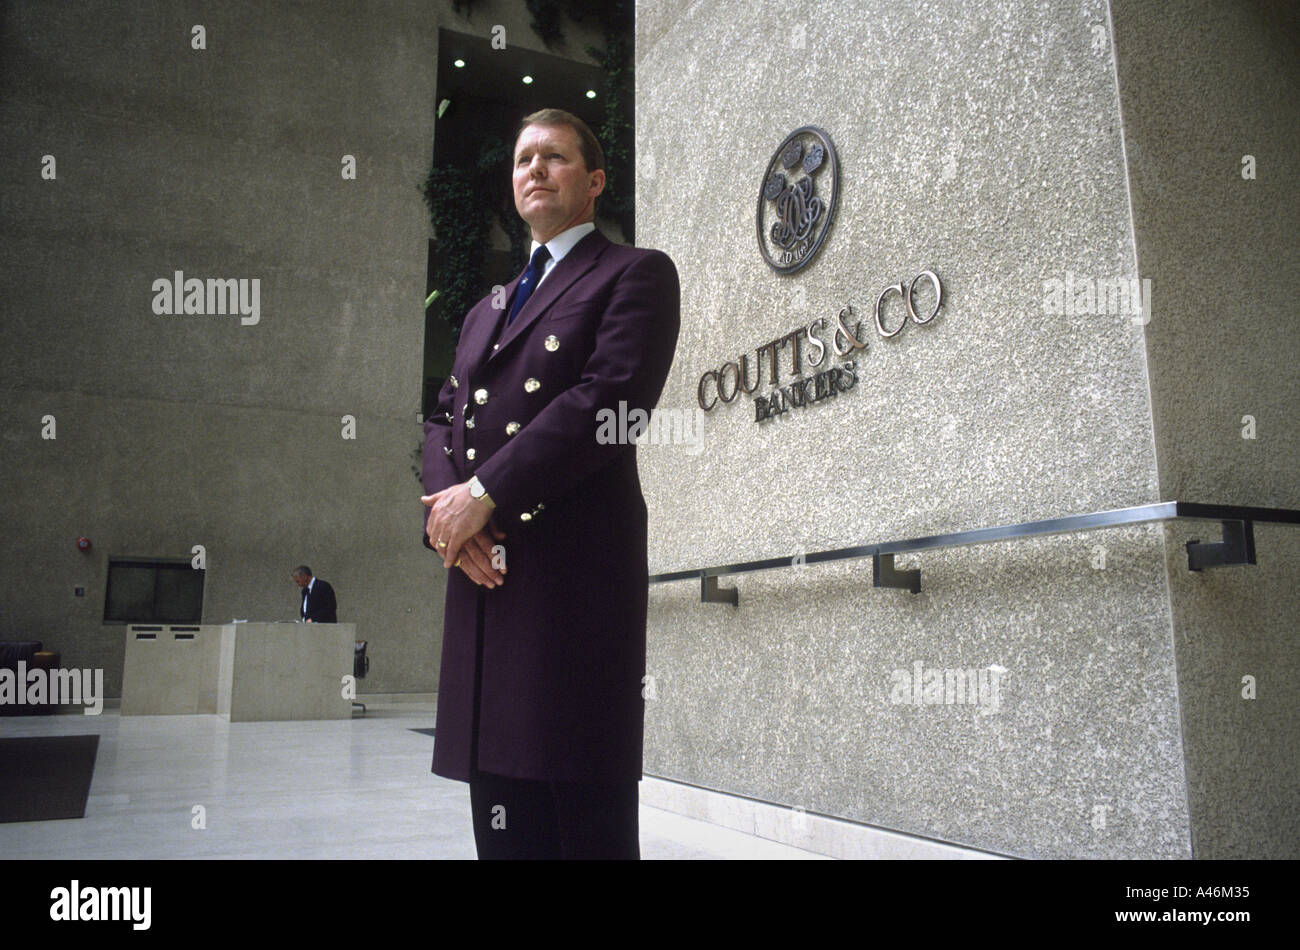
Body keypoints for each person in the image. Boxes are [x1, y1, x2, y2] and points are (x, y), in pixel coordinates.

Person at [419, 108, 681, 859]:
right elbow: (442, 417)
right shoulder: (485, 311)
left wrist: (485, 494)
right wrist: (450, 517)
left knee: (576, 814)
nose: (534, 168)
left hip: (571, 583)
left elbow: (611, 400)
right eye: (523, 158)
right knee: (503, 822)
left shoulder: (635, 274)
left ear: (593, 181)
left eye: (555, 157)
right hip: (483, 578)